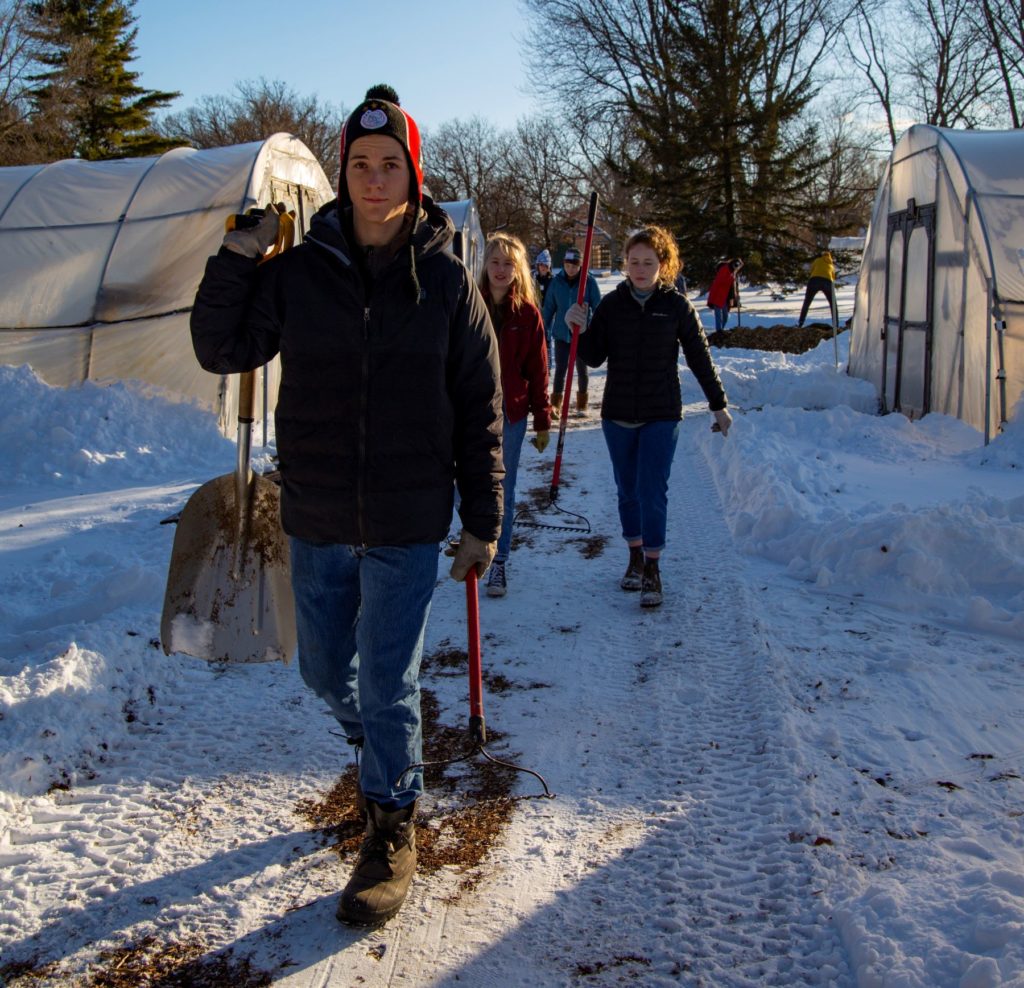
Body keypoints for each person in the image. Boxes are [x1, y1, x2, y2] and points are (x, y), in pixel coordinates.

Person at [190, 84, 503, 928]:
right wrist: (236, 258)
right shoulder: (300, 271)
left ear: (414, 174)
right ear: (342, 173)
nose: (373, 179)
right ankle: (377, 750)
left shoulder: (443, 279)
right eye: (359, 165)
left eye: (389, 164)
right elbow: (221, 347)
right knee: (325, 672)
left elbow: (479, 404)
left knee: (391, 682)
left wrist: (484, 519)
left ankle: (392, 824)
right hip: (319, 513)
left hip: (408, 518)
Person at [569, 225, 732, 608]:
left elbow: (700, 358)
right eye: (634, 262)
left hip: (661, 413)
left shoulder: (676, 306)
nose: (640, 269)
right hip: (618, 414)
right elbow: (593, 356)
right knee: (627, 490)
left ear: (663, 264)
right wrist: (578, 325)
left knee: (651, 490)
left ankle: (654, 569)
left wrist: (718, 404)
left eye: (649, 262)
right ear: (625, 264)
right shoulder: (612, 304)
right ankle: (634, 557)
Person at [479, 233, 552, 598]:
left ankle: (499, 561)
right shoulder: (469, 303)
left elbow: (539, 370)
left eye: (509, 263)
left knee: (502, 488)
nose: (501, 270)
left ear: (519, 268)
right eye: (495, 262)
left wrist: (542, 419)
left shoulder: (527, 314)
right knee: (465, 483)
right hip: (471, 409)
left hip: (511, 413)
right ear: (485, 264)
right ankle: (474, 540)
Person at [543, 246, 602, 415]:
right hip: (562, 333)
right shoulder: (556, 282)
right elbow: (549, 308)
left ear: (580, 265)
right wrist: (543, 329)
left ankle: (582, 404)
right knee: (561, 369)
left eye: (575, 266)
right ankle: (555, 405)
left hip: (582, 334)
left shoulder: (589, 282)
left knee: (582, 369)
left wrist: (595, 329)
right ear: (563, 264)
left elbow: (598, 307)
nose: (571, 269)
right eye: (568, 265)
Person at [797, 249, 837, 328]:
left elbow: (811, 270)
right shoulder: (832, 265)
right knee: (833, 304)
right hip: (827, 282)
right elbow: (833, 278)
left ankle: (800, 323)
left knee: (807, 302)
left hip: (814, 280)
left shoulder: (817, 260)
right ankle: (836, 325)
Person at [706, 257, 743, 331]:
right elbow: (722, 282)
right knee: (719, 316)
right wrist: (732, 279)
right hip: (718, 296)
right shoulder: (724, 269)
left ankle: (721, 330)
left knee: (725, 316)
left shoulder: (732, 272)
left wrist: (735, 296)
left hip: (725, 297)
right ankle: (719, 331)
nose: (737, 268)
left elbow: (732, 286)